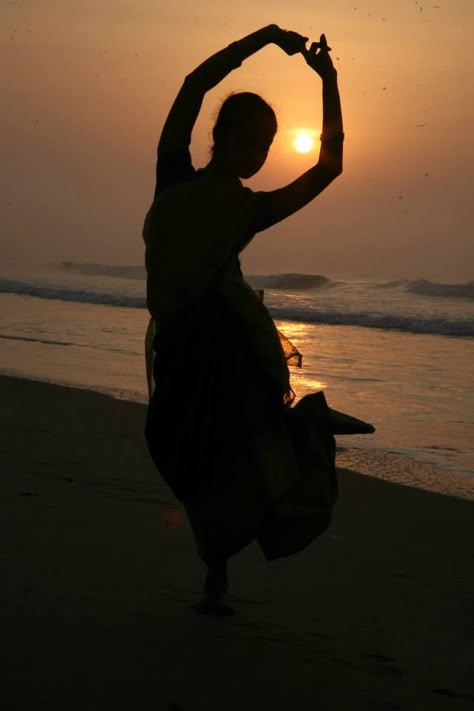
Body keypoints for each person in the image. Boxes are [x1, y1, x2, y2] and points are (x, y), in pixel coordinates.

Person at [143, 25, 374, 616]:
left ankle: (216, 575)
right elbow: (196, 84)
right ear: (220, 139)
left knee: (228, 454)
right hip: (180, 344)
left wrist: (330, 81)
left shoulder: (252, 209)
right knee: (176, 449)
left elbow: (329, 167)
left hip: (227, 347)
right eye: (252, 142)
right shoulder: (173, 174)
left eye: (269, 144)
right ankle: (217, 562)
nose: (261, 155)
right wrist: (265, 38)